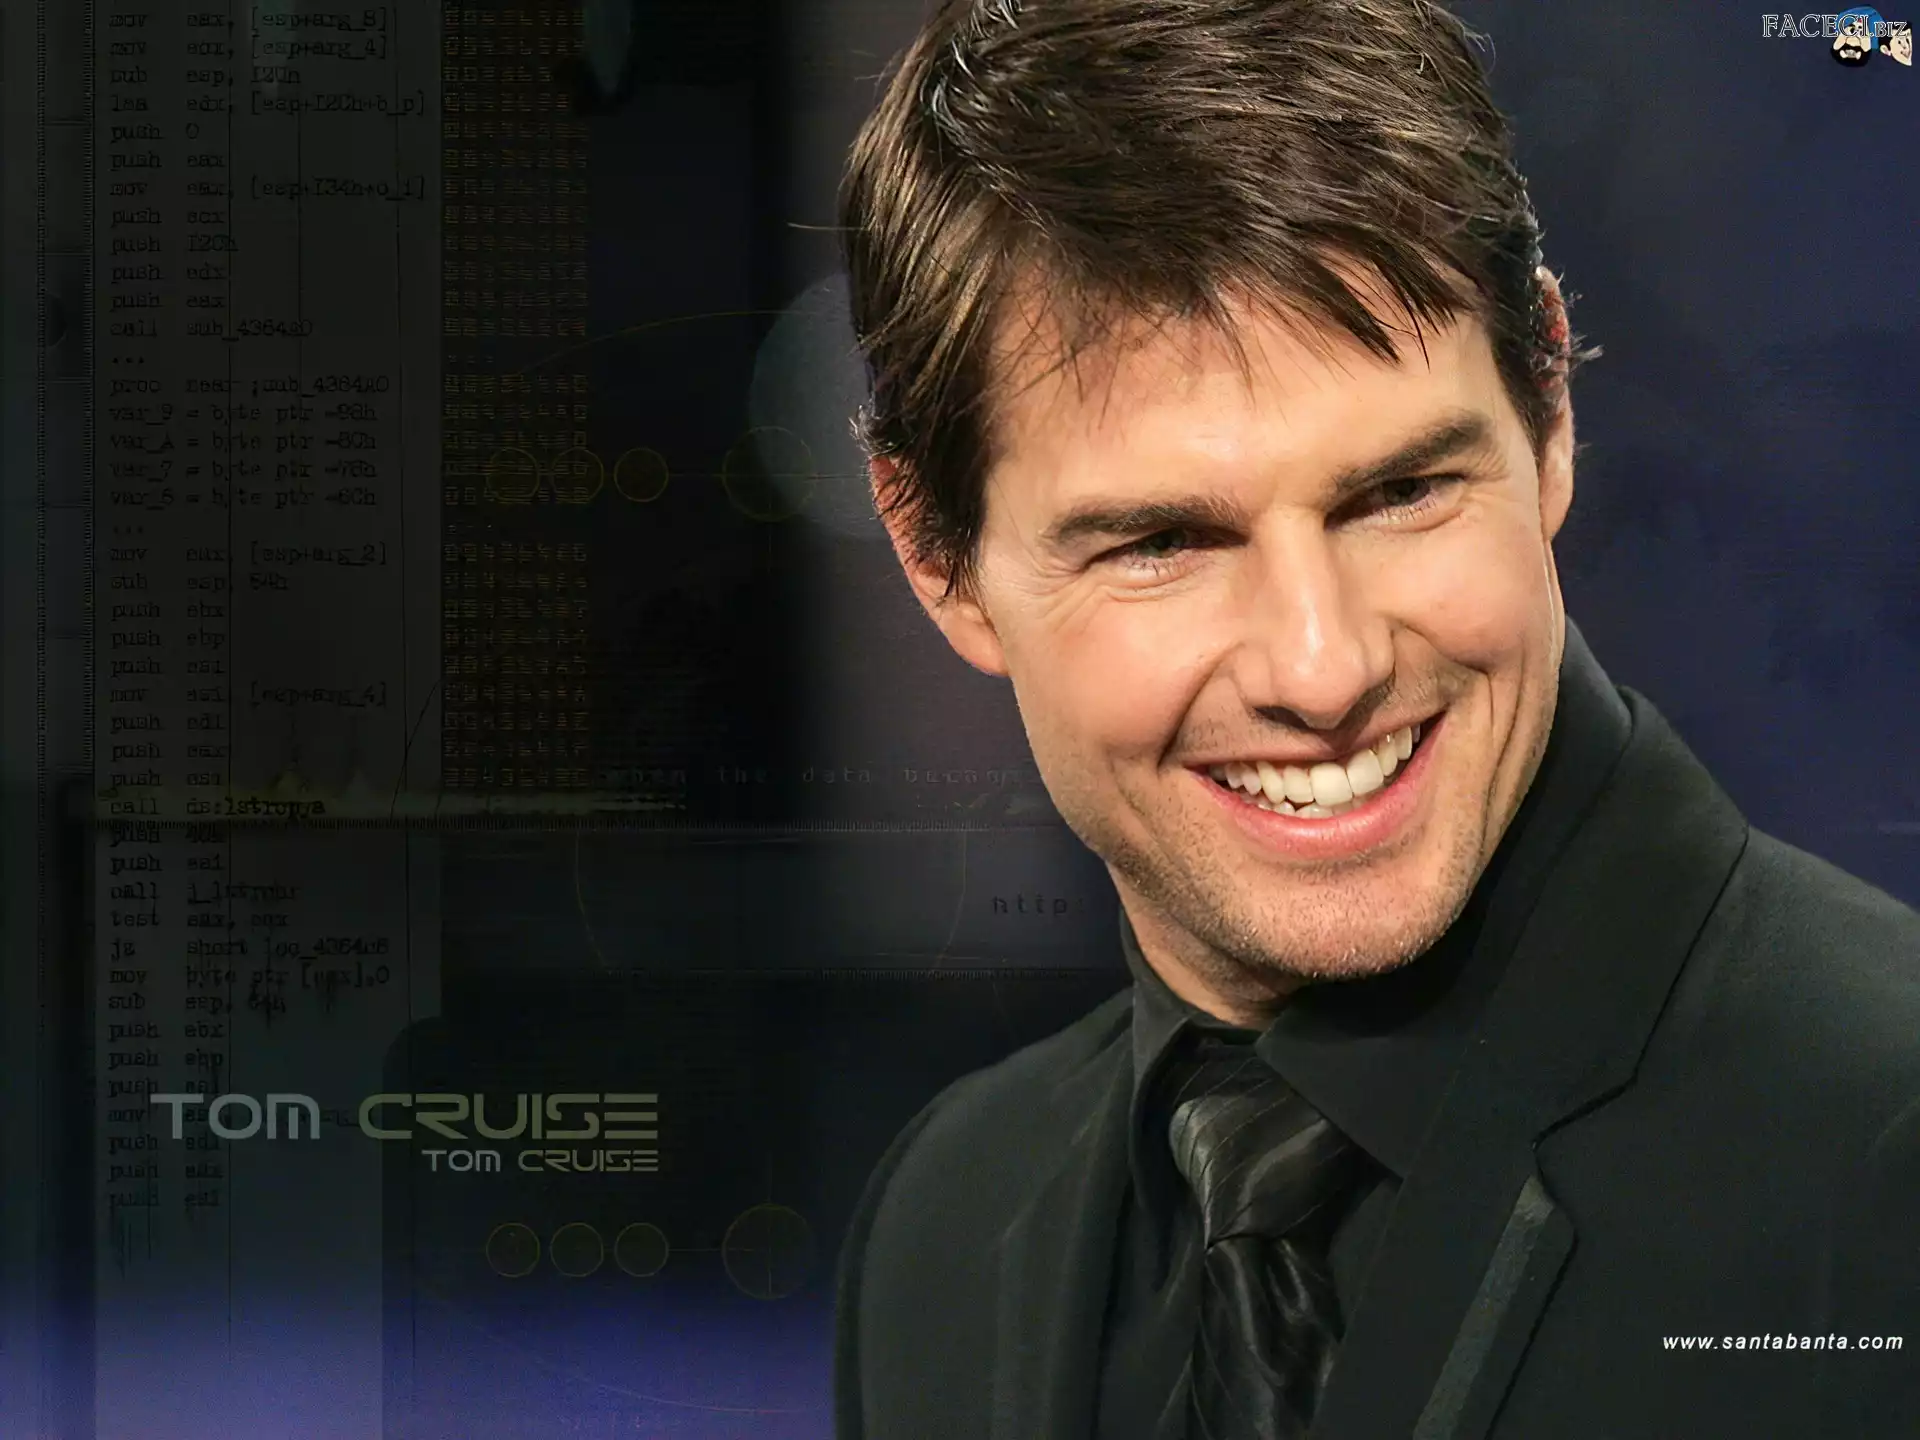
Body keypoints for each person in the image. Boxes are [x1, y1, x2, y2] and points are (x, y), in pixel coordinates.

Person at [830, 2, 1920, 1437]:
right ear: (937, 555)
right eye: (1163, 541)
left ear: (1548, 412)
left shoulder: (1886, 1150)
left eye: (1401, 492)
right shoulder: (943, 1230)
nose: (1323, 664)